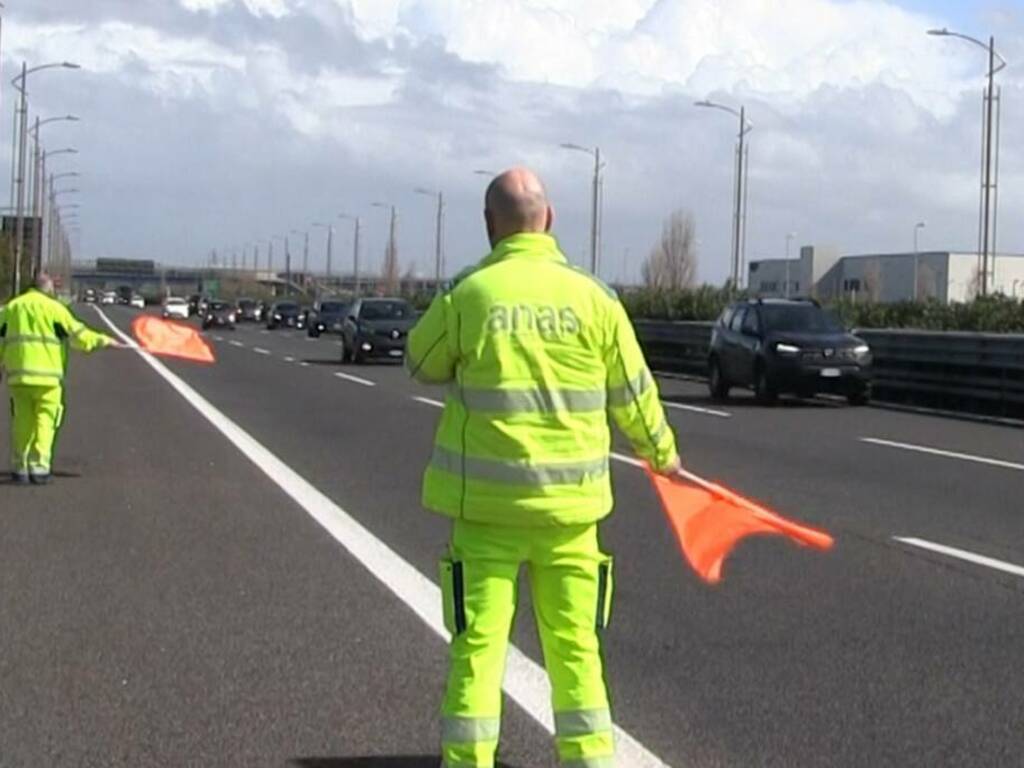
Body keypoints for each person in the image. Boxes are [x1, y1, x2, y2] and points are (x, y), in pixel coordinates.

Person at [407, 168, 680, 768]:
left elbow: (420, 362)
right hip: (572, 518)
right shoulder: (595, 299)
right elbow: (635, 396)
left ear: (489, 228)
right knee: (576, 652)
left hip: (485, 516)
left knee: (478, 651)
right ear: (549, 220)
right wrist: (663, 456)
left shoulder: (469, 294)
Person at [0, 273, 119, 484]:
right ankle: (39, 468)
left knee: (22, 422)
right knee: (45, 421)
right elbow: (79, 336)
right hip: (48, 380)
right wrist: (103, 341)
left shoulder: (11, 308)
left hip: (18, 378)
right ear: (48, 289)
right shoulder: (55, 309)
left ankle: (20, 467)